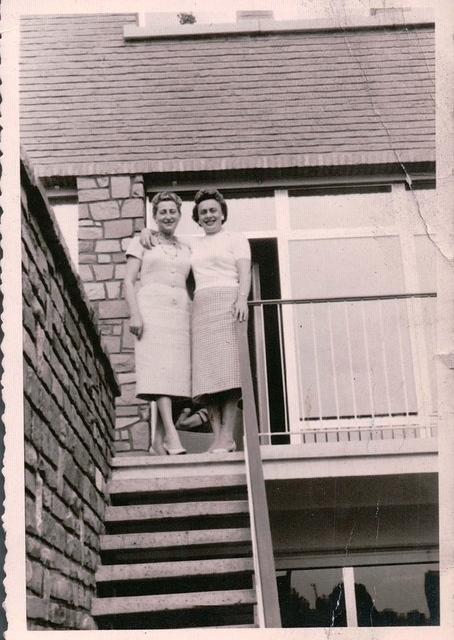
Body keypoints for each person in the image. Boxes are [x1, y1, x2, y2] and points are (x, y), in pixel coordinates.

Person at [124, 191, 191, 455]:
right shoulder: (142, 242)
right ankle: (172, 438)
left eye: (172, 211)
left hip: (180, 315)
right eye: (162, 211)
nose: (168, 216)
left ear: (179, 215)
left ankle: (157, 442)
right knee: (160, 372)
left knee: (175, 376)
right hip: (152, 311)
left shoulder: (186, 247)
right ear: (154, 216)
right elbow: (129, 280)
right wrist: (135, 314)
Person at [190, 189, 251, 452]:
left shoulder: (236, 239)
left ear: (223, 213)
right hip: (202, 305)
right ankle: (218, 438)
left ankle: (228, 435)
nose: (208, 215)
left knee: (229, 372)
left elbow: (244, 272)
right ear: (198, 217)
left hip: (228, 302)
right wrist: (146, 233)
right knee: (208, 376)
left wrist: (242, 299)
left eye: (213, 210)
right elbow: (163, 241)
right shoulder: (193, 243)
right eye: (203, 212)